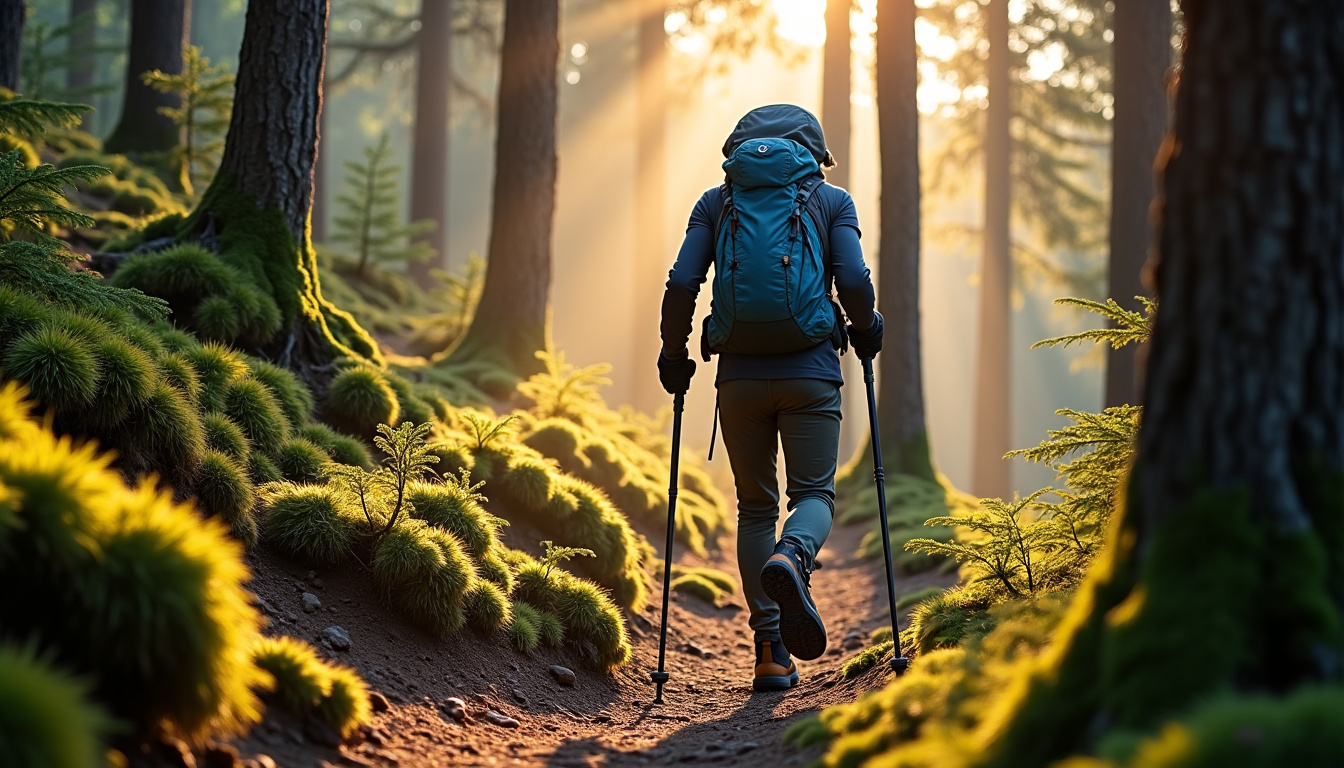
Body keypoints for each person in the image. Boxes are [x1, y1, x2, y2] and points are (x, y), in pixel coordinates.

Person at [656, 104, 882, 692]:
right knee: (813, 494)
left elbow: (683, 282)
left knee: (754, 507)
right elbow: (853, 281)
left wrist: (673, 353)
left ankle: (771, 652)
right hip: (811, 372)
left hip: (739, 378)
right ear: (813, 151)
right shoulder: (833, 200)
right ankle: (795, 557)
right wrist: (868, 326)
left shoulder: (717, 201)